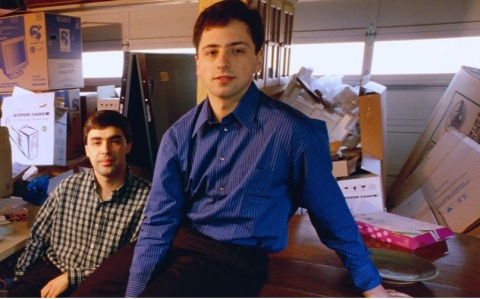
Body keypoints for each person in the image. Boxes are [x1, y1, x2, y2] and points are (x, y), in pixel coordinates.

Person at [72, 1, 410, 297]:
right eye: (212, 51)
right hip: (180, 241)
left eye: (237, 50)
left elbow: (331, 214)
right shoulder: (178, 135)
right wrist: (135, 290)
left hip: (234, 259)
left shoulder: (294, 132)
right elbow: (159, 221)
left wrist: (372, 286)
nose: (223, 62)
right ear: (198, 63)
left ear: (256, 59)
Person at [8, 110, 151, 298]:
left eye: (114, 141)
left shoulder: (148, 200)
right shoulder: (68, 186)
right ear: (87, 149)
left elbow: (133, 263)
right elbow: (38, 239)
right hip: (52, 270)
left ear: (128, 146)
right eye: (97, 142)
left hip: (101, 282)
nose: (105, 150)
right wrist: (21, 279)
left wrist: (72, 277)